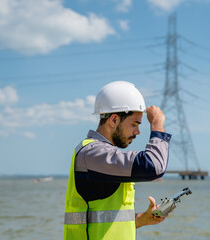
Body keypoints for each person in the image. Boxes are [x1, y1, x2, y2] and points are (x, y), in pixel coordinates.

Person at [64, 81, 172, 240]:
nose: (138, 131)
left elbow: (102, 220)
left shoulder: (103, 157)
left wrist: (142, 219)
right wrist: (157, 125)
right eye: (134, 124)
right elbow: (154, 166)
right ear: (114, 120)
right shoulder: (92, 153)